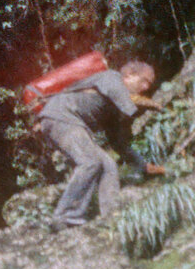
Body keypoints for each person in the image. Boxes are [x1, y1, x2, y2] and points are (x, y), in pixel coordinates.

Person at [41, 59, 166, 229]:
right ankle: (65, 216)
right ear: (129, 75)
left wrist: (143, 165)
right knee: (90, 161)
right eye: (144, 81)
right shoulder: (111, 78)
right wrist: (148, 104)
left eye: (149, 85)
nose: (146, 88)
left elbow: (118, 144)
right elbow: (128, 104)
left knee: (108, 165)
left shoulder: (111, 107)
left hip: (70, 123)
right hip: (60, 118)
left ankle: (111, 216)